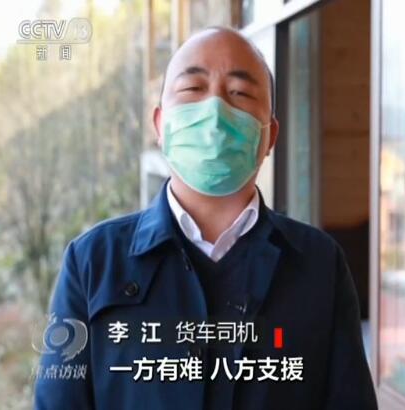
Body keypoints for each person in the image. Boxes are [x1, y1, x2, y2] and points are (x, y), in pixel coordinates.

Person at [34, 27, 377, 410]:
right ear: (160, 124)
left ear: (270, 136)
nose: (215, 111)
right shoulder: (92, 262)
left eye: (240, 93)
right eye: (193, 88)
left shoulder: (319, 263)